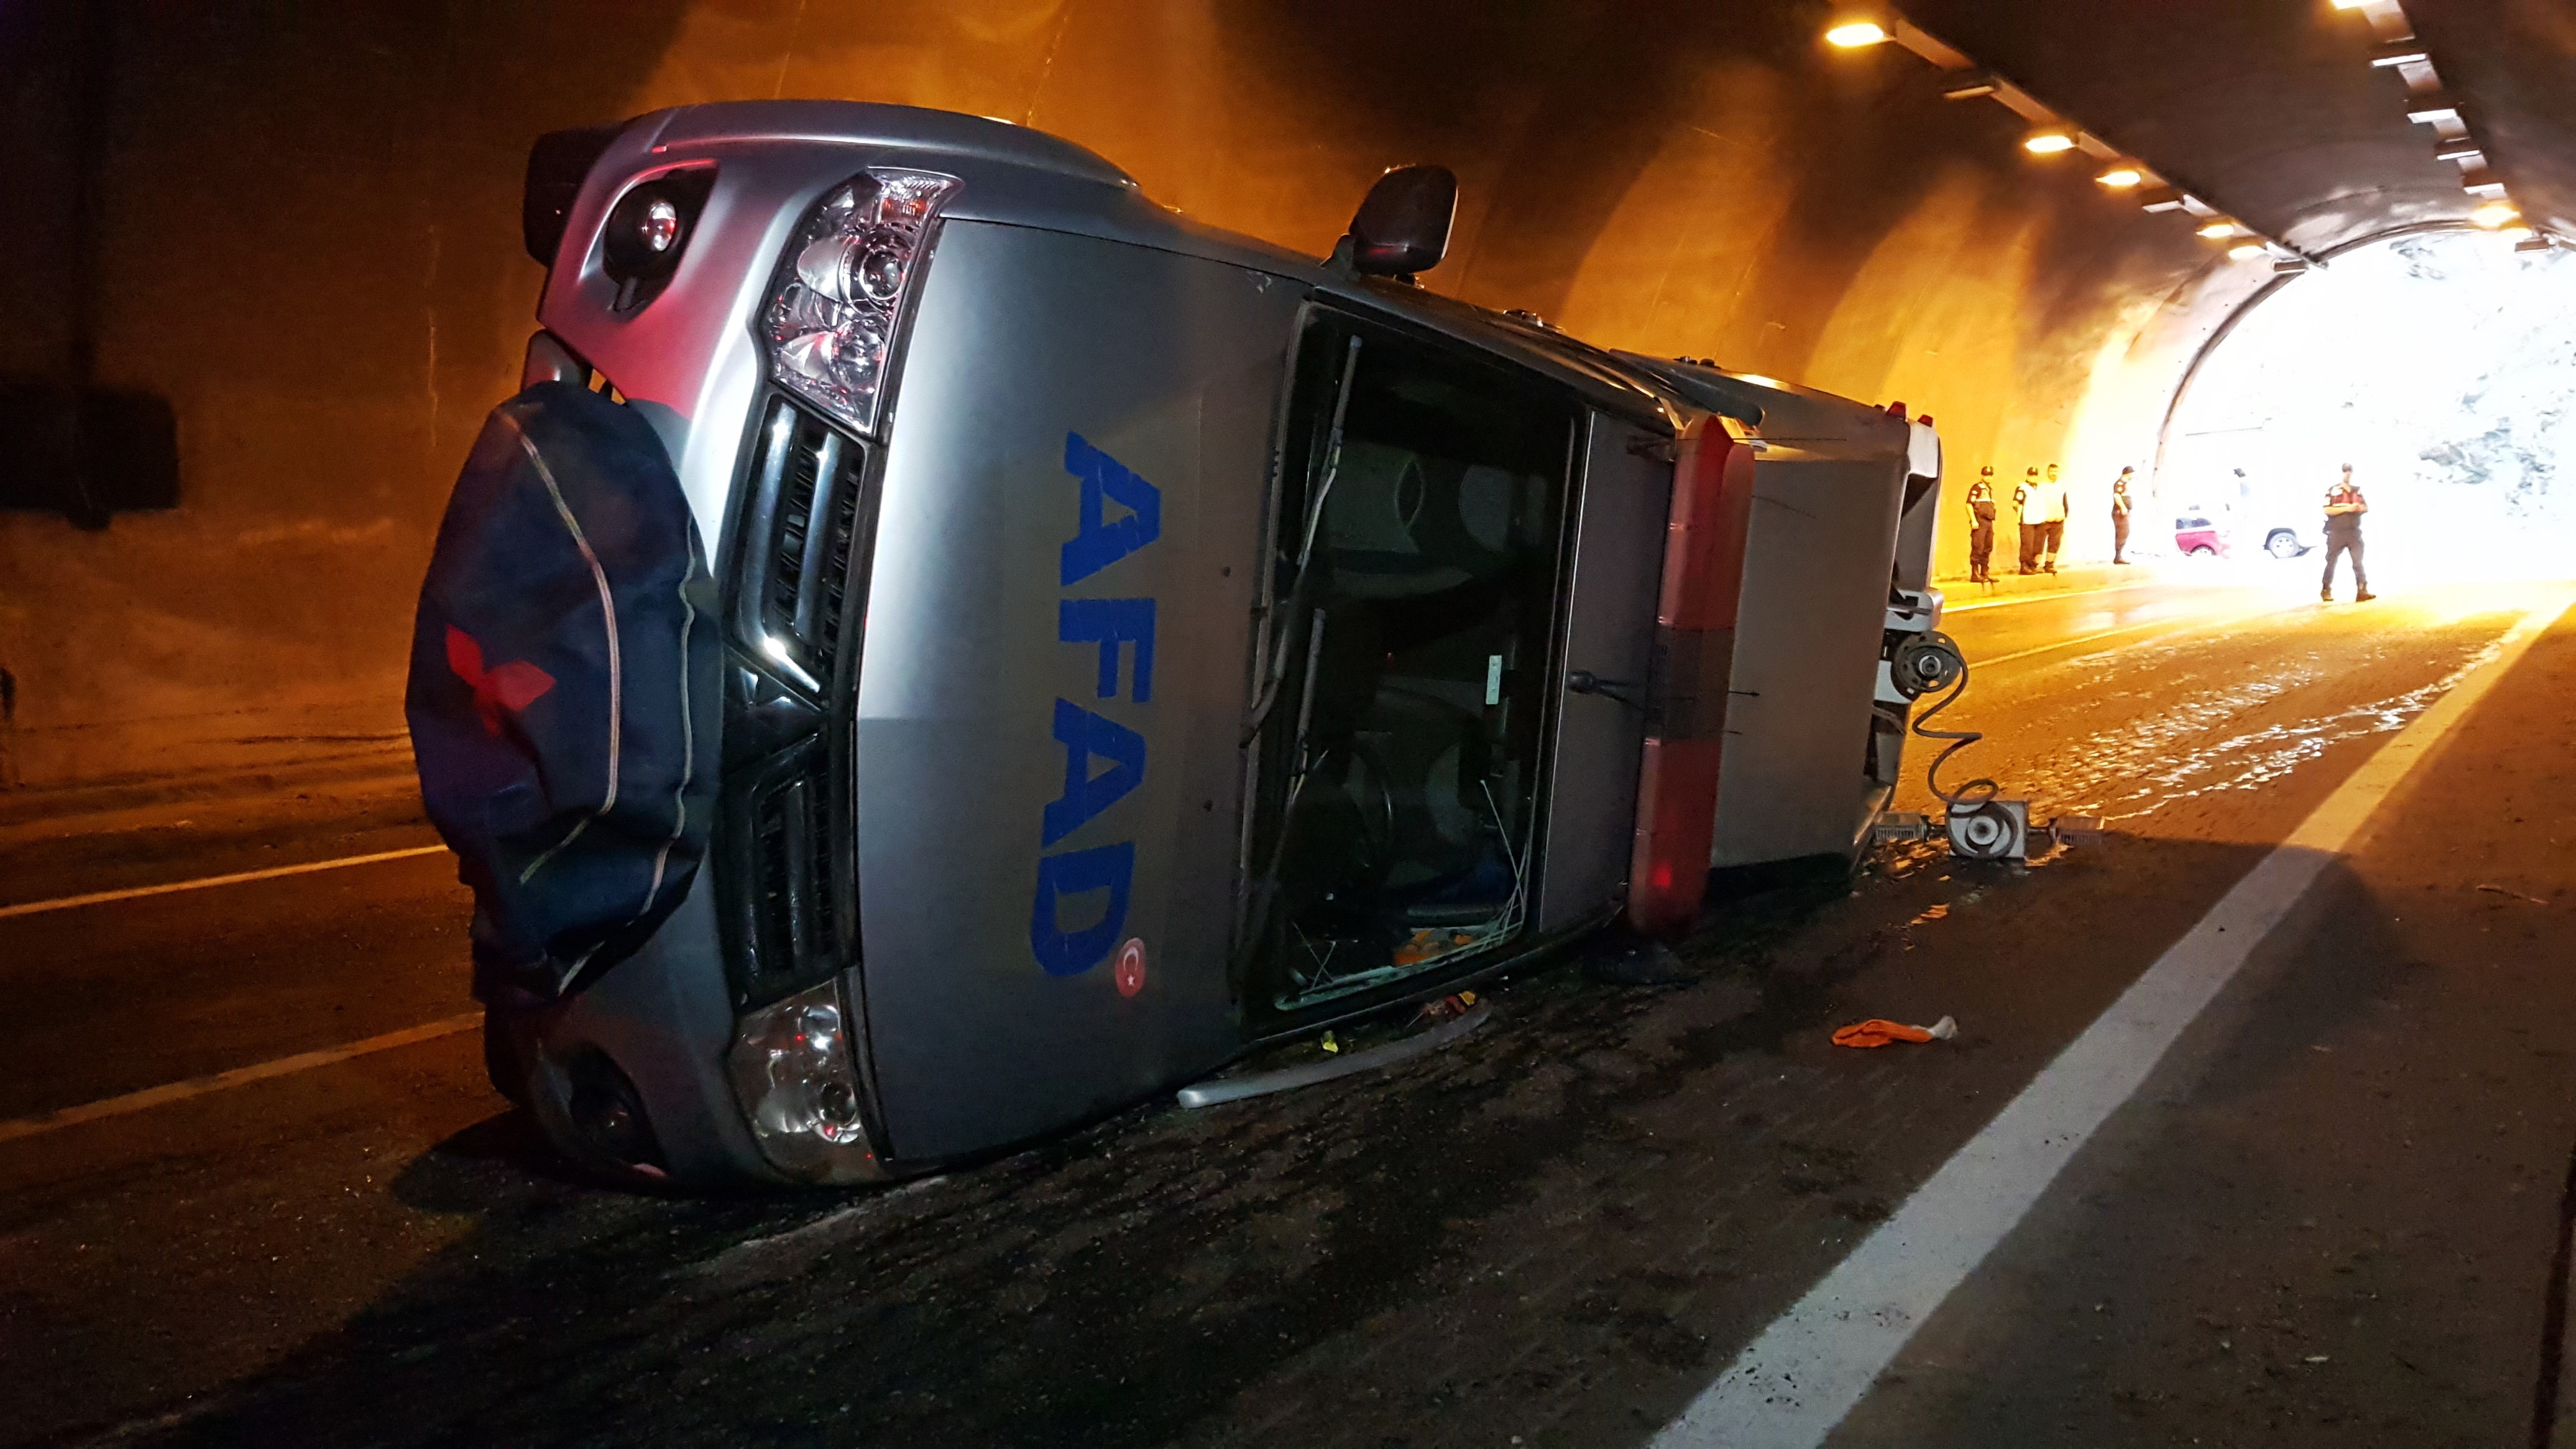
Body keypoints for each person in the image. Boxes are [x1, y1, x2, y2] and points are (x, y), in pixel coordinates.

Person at [2321, 464, 2373, 602]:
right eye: (2345, 471)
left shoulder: (2357, 491)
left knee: (2358, 562)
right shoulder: (2333, 491)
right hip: (2336, 532)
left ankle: (2362, 590)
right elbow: (2327, 510)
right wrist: (2349, 508)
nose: (2347, 473)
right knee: (2331, 561)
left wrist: (2356, 508)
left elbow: (2365, 507)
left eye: (2350, 471)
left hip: (2354, 532)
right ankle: (2326, 589)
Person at [2030, 463, 2071, 574]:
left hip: (2058, 521)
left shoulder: (2062, 486)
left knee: (2054, 544)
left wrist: (2064, 515)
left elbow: (2065, 502)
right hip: (2044, 520)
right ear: (2048, 472)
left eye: (2055, 471)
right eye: (2051, 471)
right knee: (2038, 544)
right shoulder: (2042, 486)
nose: (2053, 474)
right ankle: (2034, 565)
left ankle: (2049, 564)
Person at [1965, 466, 1998, 582]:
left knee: (1987, 547)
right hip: (1980, 521)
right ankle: (1975, 574)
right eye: (1986, 475)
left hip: (1989, 522)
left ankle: (1985, 572)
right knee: (1978, 547)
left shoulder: (1989, 489)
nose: (1988, 477)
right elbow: (1969, 504)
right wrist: (1974, 520)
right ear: (1982, 475)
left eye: (1990, 475)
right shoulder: (1977, 488)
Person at [2015, 466, 2041, 574]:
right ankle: (2024, 567)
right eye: (2031, 475)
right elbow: (2016, 503)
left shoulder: (2039, 488)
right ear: (2027, 475)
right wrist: (2020, 514)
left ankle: (2032, 565)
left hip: (2038, 520)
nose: (2033, 477)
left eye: (2035, 475)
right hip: (2027, 520)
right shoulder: (2022, 487)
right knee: (2027, 545)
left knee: (2036, 545)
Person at [2110, 466, 2135, 564]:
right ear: (2128, 473)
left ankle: (2119, 555)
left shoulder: (2125, 484)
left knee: (2124, 533)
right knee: (2122, 533)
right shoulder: (2120, 483)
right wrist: (2123, 507)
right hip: (2120, 513)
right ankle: (2118, 556)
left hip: (2124, 512)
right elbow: (2116, 496)